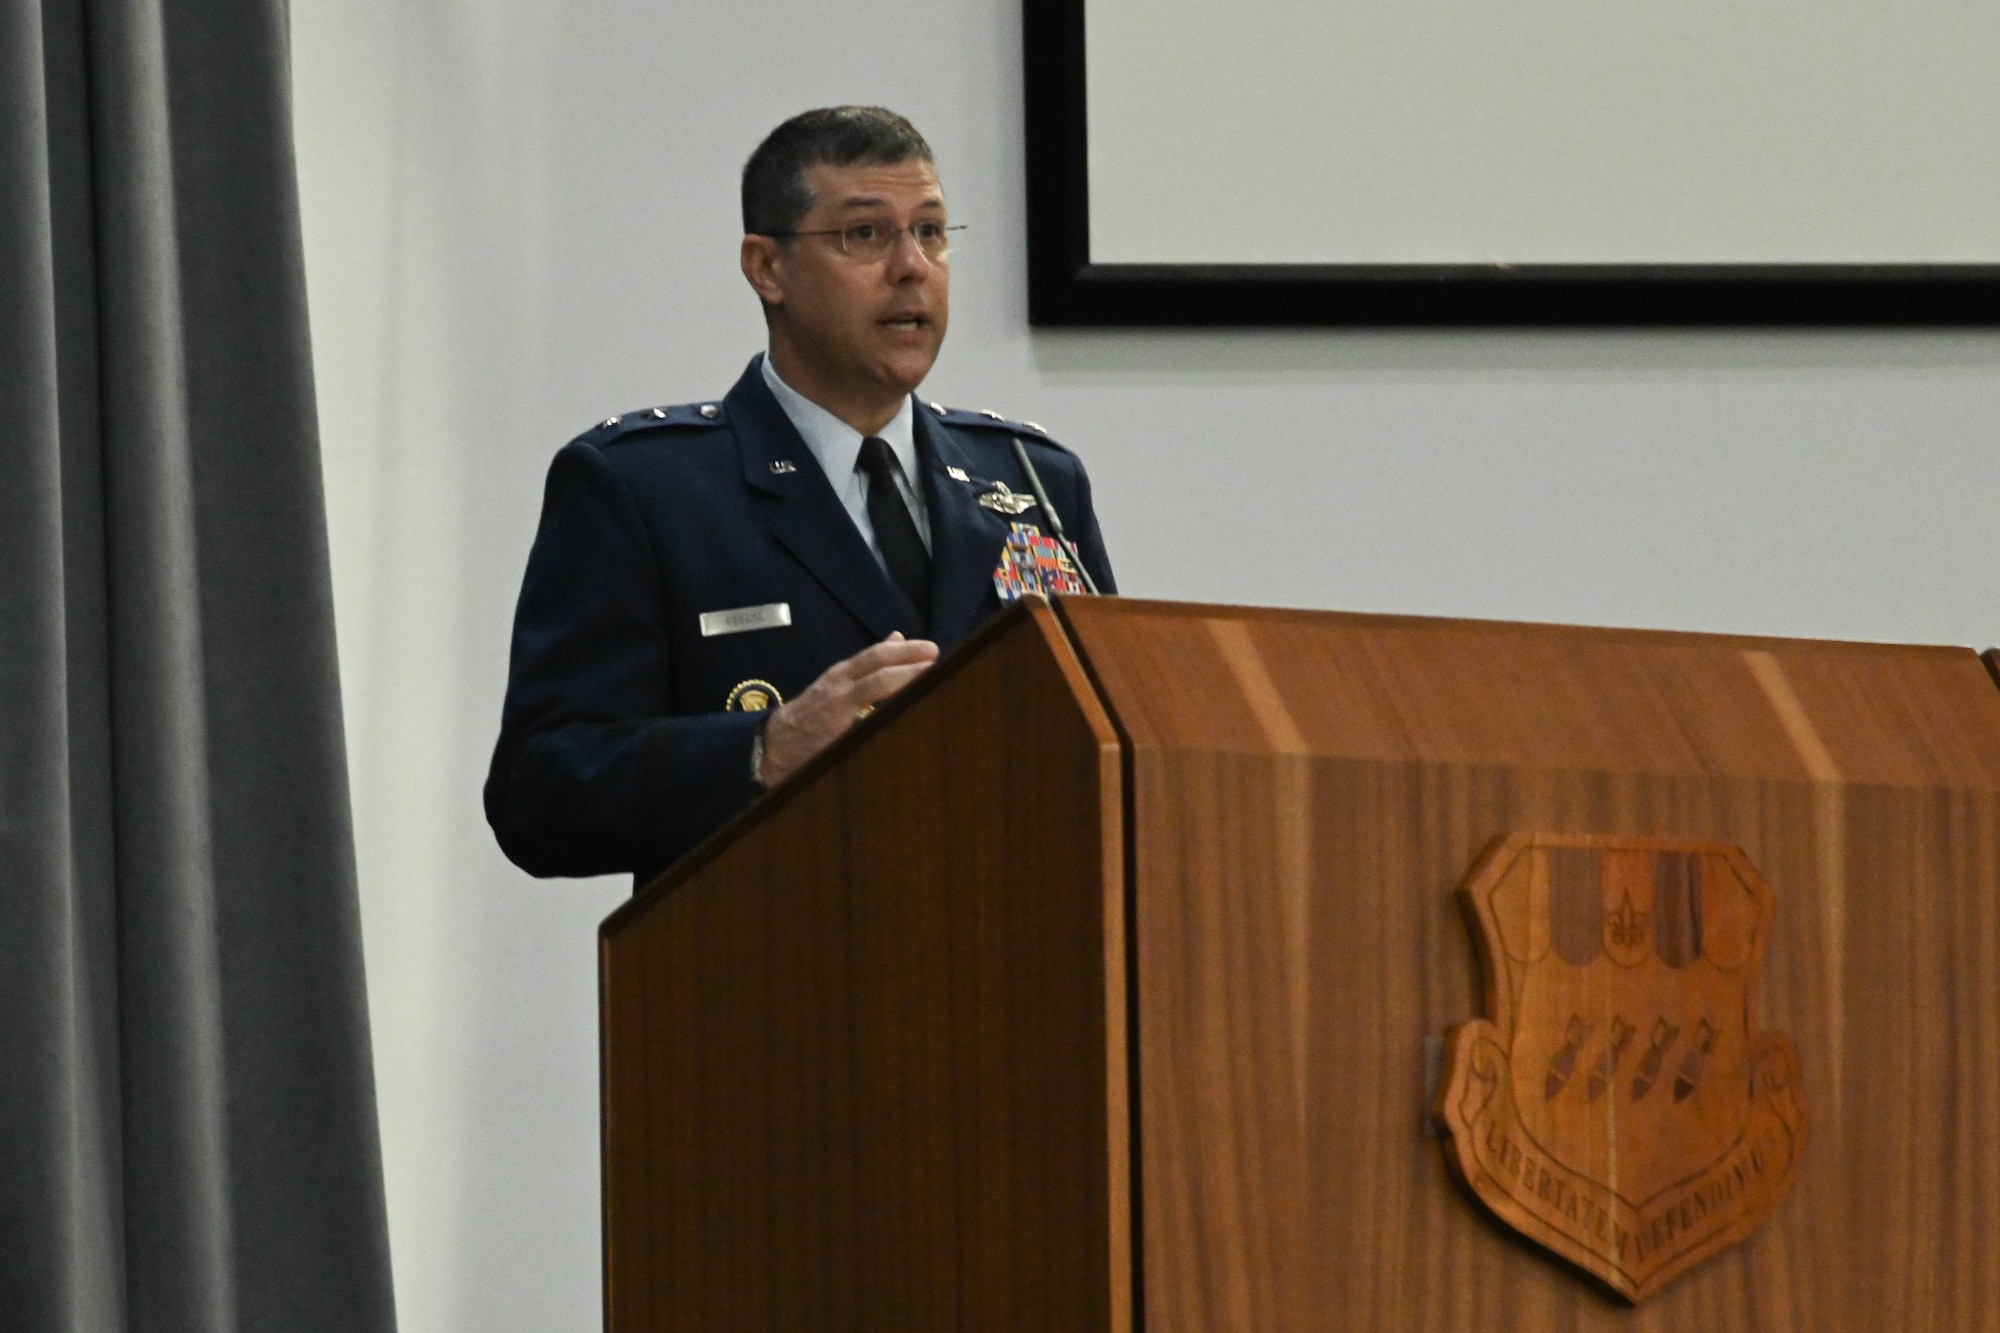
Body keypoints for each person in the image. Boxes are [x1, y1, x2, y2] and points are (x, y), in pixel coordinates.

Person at [484, 106, 1116, 888]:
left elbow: (1111, 740)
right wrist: (764, 749)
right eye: (865, 235)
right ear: (767, 268)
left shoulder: (1031, 480)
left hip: (1016, 972)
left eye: (930, 231)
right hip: (776, 974)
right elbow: (538, 792)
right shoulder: (644, 489)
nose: (912, 266)